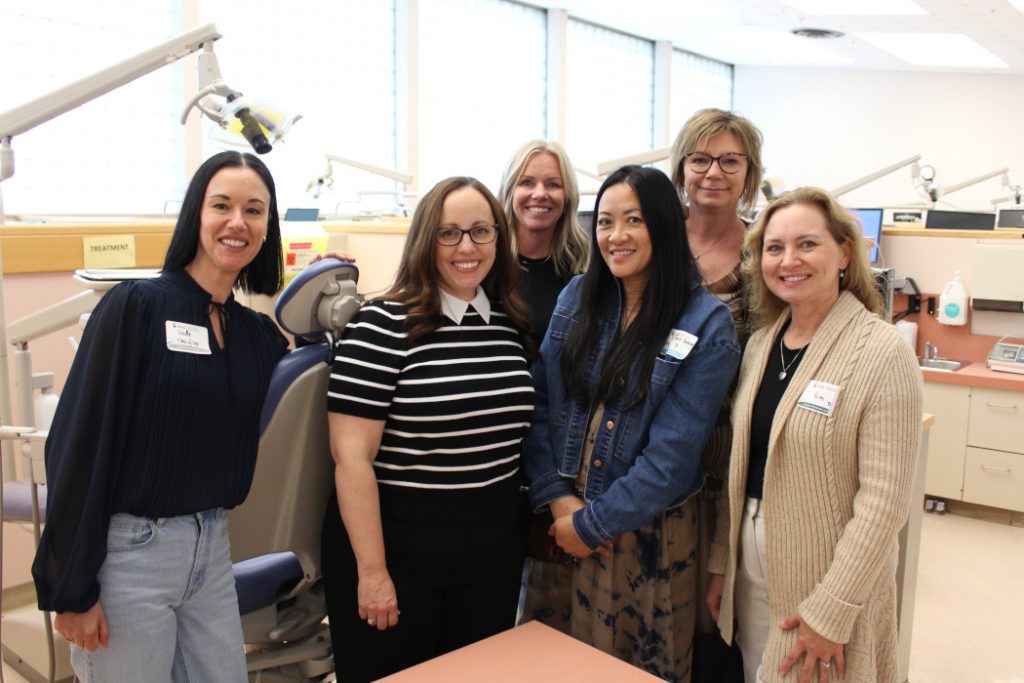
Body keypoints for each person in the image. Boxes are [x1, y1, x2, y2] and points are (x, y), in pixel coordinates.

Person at [32, 151, 289, 682]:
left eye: (254, 210)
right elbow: (78, 443)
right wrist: (73, 588)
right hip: (131, 557)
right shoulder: (137, 307)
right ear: (196, 213)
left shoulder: (257, 336)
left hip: (212, 550)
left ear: (268, 226)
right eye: (222, 205)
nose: (237, 222)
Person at [522, 165, 740, 681]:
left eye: (633, 220)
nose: (615, 237)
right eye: (604, 222)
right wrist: (561, 501)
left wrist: (593, 524)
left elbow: (671, 458)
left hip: (645, 537)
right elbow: (538, 404)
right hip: (561, 524)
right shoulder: (577, 296)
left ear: (663, 225)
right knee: (547, 662)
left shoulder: (707, 324)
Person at [320, 176, 535, 682]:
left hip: (491, 551)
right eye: (449, 233)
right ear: (424, 241)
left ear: (499, 241)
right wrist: (372, 574)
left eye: (482, 232)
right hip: (397, 551)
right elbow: (352, 459)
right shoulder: (381, 325)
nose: (467, 247)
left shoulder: (509, 322)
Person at [706, 187, 922, 683]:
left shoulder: (882, 352)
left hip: (824, 578)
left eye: (807, 244)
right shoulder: (762, 343)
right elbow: (744, 464)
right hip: (753, 569)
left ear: (844, 253)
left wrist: (833, 607)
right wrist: (723, 560)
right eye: (775, 248)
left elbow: (885, 502)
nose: (789, 261)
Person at [669, 108, 765, 682]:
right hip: (654, 450)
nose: (714, 173)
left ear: (749, 173)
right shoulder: (651, 237)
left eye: (731, 161)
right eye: (700, 159)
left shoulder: (764, 253)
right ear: (681, 167)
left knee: (716, 609)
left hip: (731, 457)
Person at [498, 139, 588, 340]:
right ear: (510, 191)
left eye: (553, 184)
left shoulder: (583, 270)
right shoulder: (487, 263)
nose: (540, 194)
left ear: (567, 198)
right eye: (527, 182)